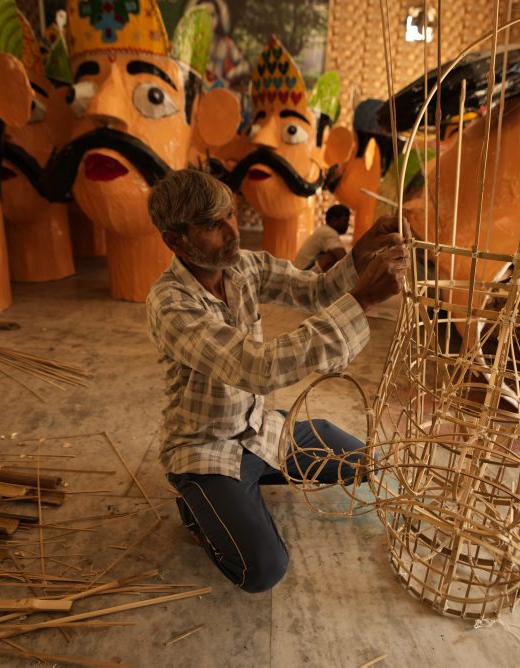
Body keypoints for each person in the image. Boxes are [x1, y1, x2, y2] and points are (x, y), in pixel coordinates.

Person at [146, 169, 407, 593]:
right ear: (175, 240)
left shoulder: (242, 267)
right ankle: (198, 502)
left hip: (257, 427)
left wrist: (359, 256)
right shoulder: (171, 304)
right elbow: (259, 368)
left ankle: (250, 480)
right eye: (214, 224)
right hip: (205, 445)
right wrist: (362, 300)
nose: (233, 232)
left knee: (365, 463)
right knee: (263, 570)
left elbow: (317, 291)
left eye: (231, 214)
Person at [294, 204, 351, 272]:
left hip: (301, 269)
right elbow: (343, 258)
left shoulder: (325, 230)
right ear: (334, 220)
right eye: (345, 221)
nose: (348, 224)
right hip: (303, 273)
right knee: (332, 257)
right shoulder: (328, 232)